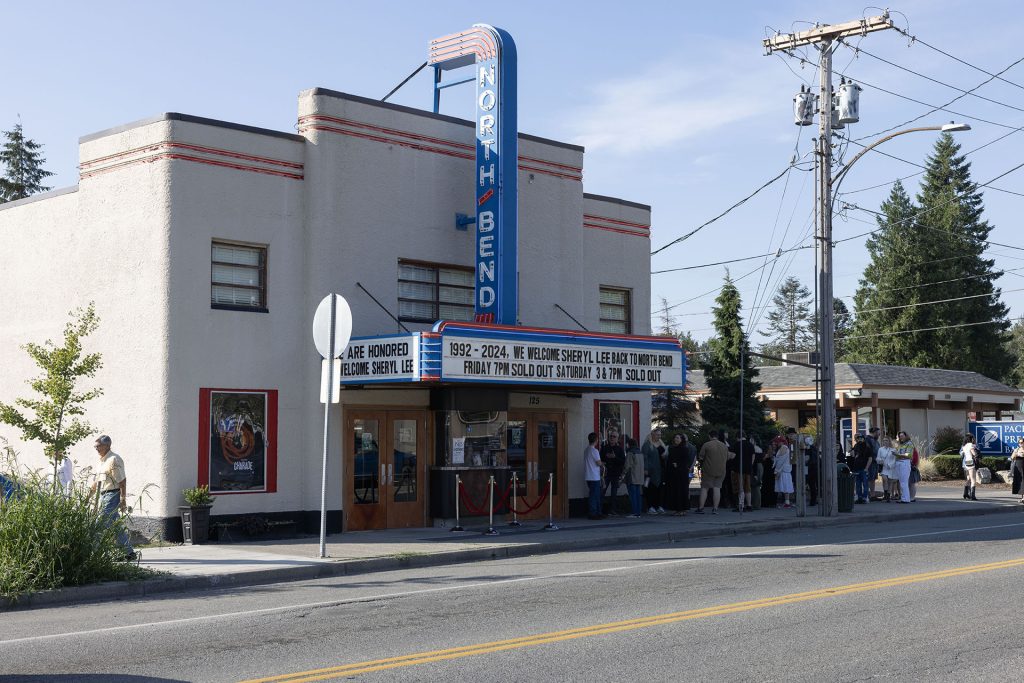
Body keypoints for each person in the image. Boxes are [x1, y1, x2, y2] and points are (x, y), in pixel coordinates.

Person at [90, 435, 135, 559]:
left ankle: (93, 552)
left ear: (107, 445)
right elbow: (96, 482)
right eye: (95, 446)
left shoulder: (114, 459)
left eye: (99, 446)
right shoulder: (101, 461)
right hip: (103, 495)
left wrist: (123, 499)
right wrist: (88, 497)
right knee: (114, 525)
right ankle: (128, 552)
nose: (96, 449)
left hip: (113, 494)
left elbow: (122, 481)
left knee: (101, 522)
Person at [696, 430, 732, 514]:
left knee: (705, 488)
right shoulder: (724, 446)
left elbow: (701, 457)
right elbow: (727, 457)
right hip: (721, 470)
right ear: (717, 436)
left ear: (709, 436)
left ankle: (701, 508)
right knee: (717, 488)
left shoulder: (706, 445)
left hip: (708, 470)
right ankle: (715, 509)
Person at [666, 434, 695, 515]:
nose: (676, 439)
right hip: (675, 474)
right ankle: (678, 509)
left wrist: (678, 464)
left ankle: (683, 509)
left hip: (682, 473)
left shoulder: (685, 449)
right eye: (675, 437)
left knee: (682, 490)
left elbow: (688, 460)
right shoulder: (672, 448)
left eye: (678, 438)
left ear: (682, 439)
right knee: (676, 491)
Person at [600, 432, 626, 516]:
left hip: (615, 473)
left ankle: (613, 510)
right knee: (602, 491)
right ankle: (599, 509)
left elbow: (623, 461)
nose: (612, 438)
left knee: (614, 493)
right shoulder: (604, 448)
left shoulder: (620, 449)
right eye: (610, 436)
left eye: (614, 436)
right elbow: (600, 459)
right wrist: (605, 460)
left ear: (617, 438)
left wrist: (615, 458)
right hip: (606, 474)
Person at [642, 429, 667, 514]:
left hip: (660, 471)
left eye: (660, 435)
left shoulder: (661, 444)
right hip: (650, 472)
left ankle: (659, 506)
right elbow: (644, 458)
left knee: (660, 489)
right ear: (652, 434)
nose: (659, 436)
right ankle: (650, 506)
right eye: (657, 435)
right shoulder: (647, 445)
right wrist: (645, 468)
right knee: (649, 489)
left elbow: (666, 456)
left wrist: (665, 456)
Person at [731, 433, 755, 512]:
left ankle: (741, 505)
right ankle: (749, 505)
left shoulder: (737, 445)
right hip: (748, 469)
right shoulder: (751, 445)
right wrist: (750, 465)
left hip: (739, 469)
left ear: (738, 437)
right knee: (748, 488)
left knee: (740, 488)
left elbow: (733, 456)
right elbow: (753, 457)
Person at [583, 432, 605, 520]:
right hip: (594, 476)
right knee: (594, 495)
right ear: (596, 440)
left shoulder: (586, 450)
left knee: (595, 494)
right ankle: (593, 513)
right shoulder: (594, 451)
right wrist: (603, 464)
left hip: (588, 475)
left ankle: (598, 512)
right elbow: (598, 462)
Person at [849, 434, 874, 504]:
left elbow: (870, 458)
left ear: (864, 439)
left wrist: (866, 468)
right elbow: (853, 455)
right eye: (858, 438)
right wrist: (852, 452)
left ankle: (865, 497)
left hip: (864, 468)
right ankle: (859, 497)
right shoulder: (856, 446)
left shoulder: (867, 447)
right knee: (858, 484)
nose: (859, 440)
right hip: (856, 468)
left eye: (861, 438)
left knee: (865, 484)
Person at [772, 436, 794, 508]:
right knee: (785, 486)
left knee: (784, 486)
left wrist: (776, 470)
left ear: (781, 442)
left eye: (777, 442)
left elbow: (780, 460)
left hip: (783, 470)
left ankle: (786, 502)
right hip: (785, 469)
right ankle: (786, 502)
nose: (776, 443)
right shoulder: (785, 447)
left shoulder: (783, 447)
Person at [893, 431, 914, 504]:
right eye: (900, 436)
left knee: (904, 482)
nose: (901, 437)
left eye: (902, 436)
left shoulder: (909, 443)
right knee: (902, 482)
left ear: (906, 436)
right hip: (899, 463)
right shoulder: (900, 445)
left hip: (904, 463)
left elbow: (908, 455)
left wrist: (897, 455)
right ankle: (904, 498)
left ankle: (905, 499)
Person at [960, 434, 981, 501]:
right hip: (971, 462)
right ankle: (973, 496)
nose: (973, 439)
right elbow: (974, 453)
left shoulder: (964, 446)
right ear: (971, 439)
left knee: (968, 479)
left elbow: (962, 453)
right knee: (973, 479)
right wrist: (976, 454)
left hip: (966, 462)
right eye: (973, 438)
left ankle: (965, 493)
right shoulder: (970, 445)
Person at [877, 436, 896, 501]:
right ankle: (885, 494)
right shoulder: (880, 449)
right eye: (884, 440)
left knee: (890, 482)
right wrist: (880, 461)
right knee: (885, 480)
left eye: (886, 440)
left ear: (889, 442)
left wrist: (890, 465)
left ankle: (888, 495)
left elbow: (895, 459)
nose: (885, 442)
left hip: (890, 467)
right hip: (884, 468)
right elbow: (878, 458)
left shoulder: (893, 450)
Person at [865, 426, 881, 500]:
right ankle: (867, 495)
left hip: (875, 462)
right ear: (874, 433)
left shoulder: (875, 440)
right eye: (878, 433)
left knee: (873, 479)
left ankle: (872, 495)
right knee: (869, 478)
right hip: (870, 462)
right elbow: (870, 451)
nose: (879, 435)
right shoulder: (868, 439)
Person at [1011, 437, 1024, 504]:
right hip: (1018, 467)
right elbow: (1012, 457)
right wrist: (1016, 454)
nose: (1020, 444)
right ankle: (1022, 498)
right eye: (1019, 443)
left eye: (1022, 442)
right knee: (1020, 482)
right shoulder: (1017, 449)